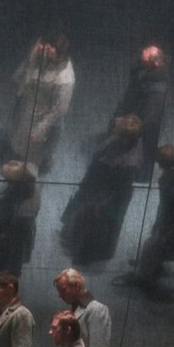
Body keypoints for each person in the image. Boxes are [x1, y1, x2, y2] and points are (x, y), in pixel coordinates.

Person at [113, 145, 174, 288]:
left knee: (152, 246)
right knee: (157, 245)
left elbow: (173, 210)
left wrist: (162, 227)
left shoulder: (173, 184)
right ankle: (152, 264)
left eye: (160, 164)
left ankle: (143, 276)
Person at [60, 113, 142, 265]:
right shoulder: (119, 142)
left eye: (118, 125)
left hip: (107, 192)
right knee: (85, 214)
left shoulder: (126, 161)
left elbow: (118, 186)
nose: (116, 122)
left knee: (95, 223)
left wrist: (103, 202)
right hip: (98, 184)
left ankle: (86, 252)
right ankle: (74, 238)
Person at [2, 33, 74, 173]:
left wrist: (42, 128)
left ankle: (27, 173)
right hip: (27, 108)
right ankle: (18, 158)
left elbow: (59, 109)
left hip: (43, 116)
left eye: (50, 47)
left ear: (59, 53)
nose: (44, 48)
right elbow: (19, 77)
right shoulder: (40, 57)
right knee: (19, 139)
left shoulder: (65, 77)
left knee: (34, 150)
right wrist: (31, 58)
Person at [112, 45, 168, 182]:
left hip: (142, 125)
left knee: (141, 150)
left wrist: (131, 126)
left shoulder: (157, 88)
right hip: (132, 114)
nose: (143, 51)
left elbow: (149, 117)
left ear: (155, 63)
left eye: (147, 53)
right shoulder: (142, 71)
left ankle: (139, 175)